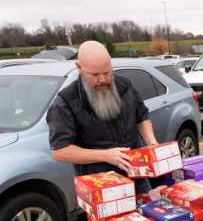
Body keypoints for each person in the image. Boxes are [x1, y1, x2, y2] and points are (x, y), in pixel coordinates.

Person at [47, 40, 159, 193]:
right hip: (101, 184)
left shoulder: (124, 86)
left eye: (107, 73)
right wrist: (106, 155)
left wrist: (151, 142)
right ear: (79, 67)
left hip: (136, 175)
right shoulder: (66, 102)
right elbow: (60, 151)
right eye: (95, 75)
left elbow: (141, 116)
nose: (103, 80)